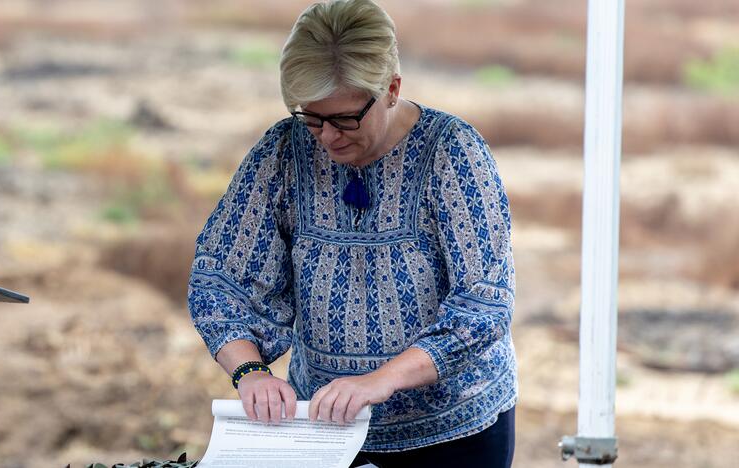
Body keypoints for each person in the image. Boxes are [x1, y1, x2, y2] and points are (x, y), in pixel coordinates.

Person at [187, 0, 517, 466]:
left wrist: (380, 380)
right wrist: (250, 372)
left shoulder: (453, 153)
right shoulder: (283, 150)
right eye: (312, 117)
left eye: (344, 118)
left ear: (391, 89)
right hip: (325, 430)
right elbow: (222, 278)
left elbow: (484, 306)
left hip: (454, 432)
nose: (327, 137)